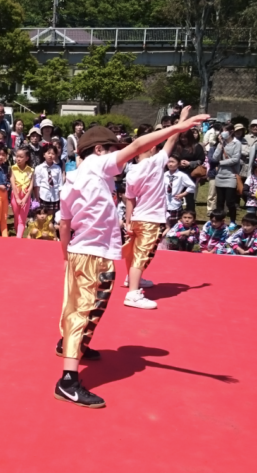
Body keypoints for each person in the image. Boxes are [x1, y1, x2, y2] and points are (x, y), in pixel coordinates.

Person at [54, 110, 209, 408]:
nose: (121, 157)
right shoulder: (97, 164)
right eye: (114, 149)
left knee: (85, 305)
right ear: (100, 150)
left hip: (84, 252)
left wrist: (64, 255)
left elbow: (64, 223)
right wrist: (176, 128)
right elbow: (138, 146)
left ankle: (71, 345)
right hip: (91, 254)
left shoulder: (73, 179)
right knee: (83, 310)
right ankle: (68, 382)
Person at [123, 108, 193, 310]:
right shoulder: (155, 162)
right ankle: (133, 294)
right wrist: (181, 120)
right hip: (151, 219)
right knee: (142, 254)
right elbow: (172, 139)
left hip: (137, 217)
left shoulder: (132, 172)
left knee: (134, 251)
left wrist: (128, 221)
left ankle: (132, 279)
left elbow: (129, 199)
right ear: (152, 149)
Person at [210, 125, 242, 221]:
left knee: (230, 201)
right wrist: (220, 145)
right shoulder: (222, 143)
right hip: (220, 175)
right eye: (222, 131)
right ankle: (219, 220)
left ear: (231, 131)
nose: (223, 133)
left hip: (231, 175)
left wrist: (221, 163)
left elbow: (235, 159)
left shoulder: (237, 143)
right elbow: (215, 157)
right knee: (220, 201)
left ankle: (232, 221)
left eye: (225, 131)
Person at [9, 147, 35, 239]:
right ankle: (18, 236)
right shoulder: (13, 168)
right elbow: (12, 183)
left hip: (25, 196)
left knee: (21, 219)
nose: (18, 159)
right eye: (17, 156)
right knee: (16, 217)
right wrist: (17, 198)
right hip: (15, 195)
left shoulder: (31, 170)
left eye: (21, 157)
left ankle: (18, 238)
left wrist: (25, 198)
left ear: (27, 158)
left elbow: (31, 186)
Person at [163, 156, 194, 228]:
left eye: (172, 162)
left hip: (175, 203)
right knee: (164, 224)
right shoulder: (165, 174)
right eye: (169, 162)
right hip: (164, 203)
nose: (170, 164)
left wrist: (183, 194)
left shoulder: (181, 175)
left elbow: (192, 186)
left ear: (178, 164)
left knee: (175, 225)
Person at [34, 144, 64, 216]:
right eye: (48, 153)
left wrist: (61, 197)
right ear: (44, 154)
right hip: (43, 195)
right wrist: (37, 197)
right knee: (42, 214)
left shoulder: (57, 168)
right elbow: (37, 184)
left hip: (54, 195)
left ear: (56, 155)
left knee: (51, 215)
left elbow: (60, 184)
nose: (50, 155)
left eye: (53, 154)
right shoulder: (39, 168)